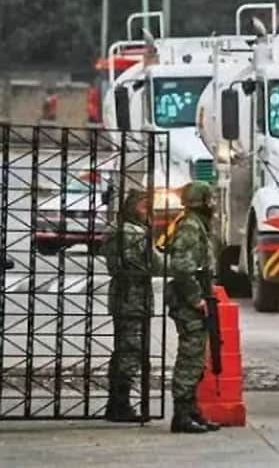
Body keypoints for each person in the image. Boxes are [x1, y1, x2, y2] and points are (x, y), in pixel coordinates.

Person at [101, 188, 162, 422]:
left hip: (121, 295)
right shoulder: (135, 233)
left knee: (123, 348)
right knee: (131, 350)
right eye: (143, 206)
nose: (147, 211)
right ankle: (120, 404)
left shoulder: (116, 230)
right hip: (135, 297)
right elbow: (155, 265)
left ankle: (116, 402)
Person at [165, 181, 220, 433]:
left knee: (198, 355)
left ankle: (191, 409)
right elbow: (182, 266)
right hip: (189, 301)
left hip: (197, 297)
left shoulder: (196, 224)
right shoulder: (189, 226)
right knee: (190, 356)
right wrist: (196, 298)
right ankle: (181, 414)